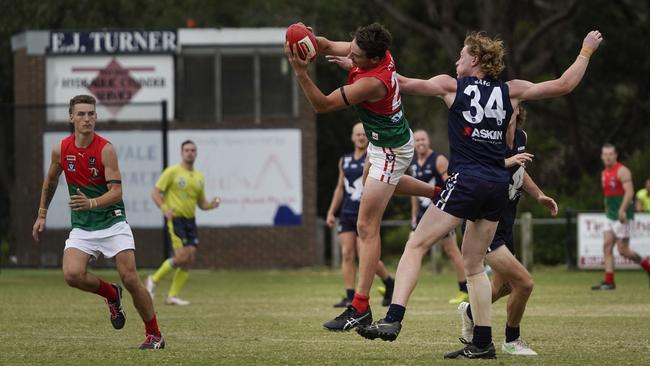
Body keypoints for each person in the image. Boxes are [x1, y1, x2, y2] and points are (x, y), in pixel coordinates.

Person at [357, 30, 604, 359]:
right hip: (496, 186)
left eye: (461, 55)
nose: (456, 60)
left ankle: (393, 318)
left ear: (474, 59)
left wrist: (363, 65)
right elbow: (563, 85)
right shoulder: (511, 91)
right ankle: (483, 342)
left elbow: (400, 81)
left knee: (415, 245)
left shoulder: (451, 85)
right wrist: (586, 50)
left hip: (467, 180)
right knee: (473, 265)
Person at [286, 22, 439, 332]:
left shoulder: (373, 82)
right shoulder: (375, 54)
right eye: (352, 48)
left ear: (372, 59)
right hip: (386, 142)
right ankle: (437, 192)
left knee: (366, 227)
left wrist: (301, 72)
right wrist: (306, 39)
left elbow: (323, 104)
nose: (350, 53)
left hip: (391, 149)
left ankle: (359, 307)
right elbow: (328, 44)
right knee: (383, 186)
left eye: (356, 54)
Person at [31, 94, 164, 349]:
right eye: (81, 114)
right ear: (71, 117)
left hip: (113, 223)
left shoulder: (106, 149)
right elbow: (51, 180)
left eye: (91, 114)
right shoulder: (61, 149)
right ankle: (111, 295)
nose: (87, 119)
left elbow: (117, 192)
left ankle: (155, 334)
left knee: (130, 278)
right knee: (71, 274)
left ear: (96, 117)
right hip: (83, 226)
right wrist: (42, 213)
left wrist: (91, 203)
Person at [457, 105, 558, 356]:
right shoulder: (485, 135)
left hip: (505, 222)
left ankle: (469, 311)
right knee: (524, 283)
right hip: (484, 223)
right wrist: (507, 161)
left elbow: (519, 173)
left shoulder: (521, 137)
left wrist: (539, 195)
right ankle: (512, 340)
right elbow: (474, 171)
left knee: (504, 288)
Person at [326, 122, 395, 308]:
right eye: (357, 134)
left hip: (364, 212)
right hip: (347, 212)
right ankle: (350, 296)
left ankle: (389, 281)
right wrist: (332, 212)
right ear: (352, 137)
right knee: (347, 253)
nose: (361, 137)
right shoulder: (344, 160)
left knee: (364, 254)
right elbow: (340, 188)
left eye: (364, 134)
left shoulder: (373, 157)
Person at [146, 140, 220, 305]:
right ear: (181, 153)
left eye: (193, 150)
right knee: (181, 257)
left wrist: (211, 205)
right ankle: (153, 280)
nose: (190, 152)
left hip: (190, 221)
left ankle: (172, 296)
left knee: (190, 258)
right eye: (186, 150)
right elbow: (155, 192)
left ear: (196, 153)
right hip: (176, 220)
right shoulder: (172, 171)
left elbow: (201, 203)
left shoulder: (199, 177)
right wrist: (164, 208)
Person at [409, 129, 467, 304]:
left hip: (440, 211)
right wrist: (413, 215)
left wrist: (453, 206)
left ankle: (464, 288)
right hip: (421, 214)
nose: (420, 142)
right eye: (417, 139)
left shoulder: (439, 160)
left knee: (451, 250)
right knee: (412, 248)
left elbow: (452, 182)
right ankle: (402, 287)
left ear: (429, 141)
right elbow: (413, 191)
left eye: (423, 139)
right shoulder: (413, 164)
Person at [592, 144, 650, 290]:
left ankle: (647, 266)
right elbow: (607, 196)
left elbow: (629, 192)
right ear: (601, 156)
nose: (608, 157)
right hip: (610, 215)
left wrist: (622, 210)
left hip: (622, 216)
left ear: (616, 155)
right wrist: (607, 210)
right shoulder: (604, 173)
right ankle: (609, 281)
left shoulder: (622, 171)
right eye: (605, 154)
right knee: (606, 247)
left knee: (623, 250)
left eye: (610, 154)